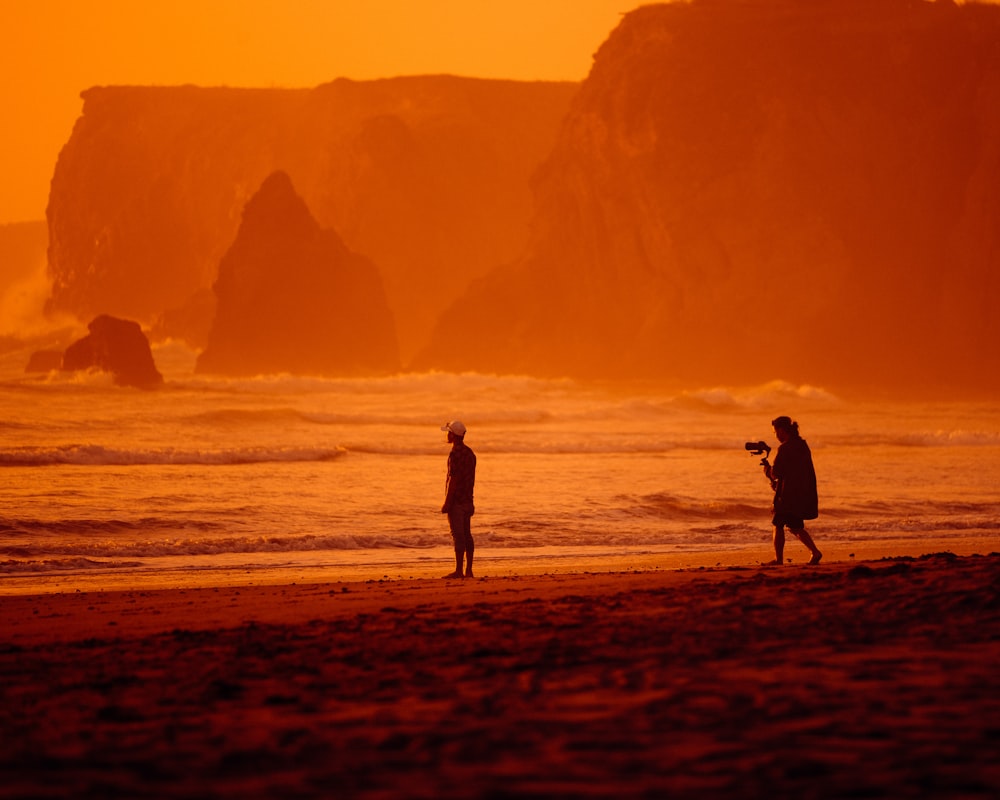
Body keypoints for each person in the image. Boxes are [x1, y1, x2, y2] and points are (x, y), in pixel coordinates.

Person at [764, 415, 822, 565]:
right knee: (795, 526)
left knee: (778, 524)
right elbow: (794, 471)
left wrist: (767, 471)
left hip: (788, 495)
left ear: (781, 430)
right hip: (802, 492)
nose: (776, 436)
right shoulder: (802, 445)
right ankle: (815, 552)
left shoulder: (785, 448)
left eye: (775, 432)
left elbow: (776, 473)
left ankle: (778, 559)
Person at [440, 420, 476, 578]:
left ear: (453, 435)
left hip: (457, 501)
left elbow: (453, 479)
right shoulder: (470, 453)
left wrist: (447, 502)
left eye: (449, 432)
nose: (447, 435)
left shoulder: (455, 454)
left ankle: (459, 570)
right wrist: (471, 501)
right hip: (468, 500)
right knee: (467, 534)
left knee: (458, 536)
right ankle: (468, 570)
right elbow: (470, 479)